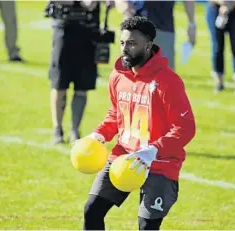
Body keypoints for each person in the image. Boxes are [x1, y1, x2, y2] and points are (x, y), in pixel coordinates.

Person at [82, 16, 196, 230]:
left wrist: (153, 150)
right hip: (122, 158)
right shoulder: (118, 75)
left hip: (159, 164)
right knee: (92, 210)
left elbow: (185, 127)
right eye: (122, 43)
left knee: (147, 227)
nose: (125, 49)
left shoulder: (168, 81)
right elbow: (116, 113)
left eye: (132, 44)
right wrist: (99, 134)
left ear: (149, 45)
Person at [46, 1, 101, 144]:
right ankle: (57, 129)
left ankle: (75, 130)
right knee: (59, 85)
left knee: (82, 87)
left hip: (88, 32)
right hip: (64, 30)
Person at [115, 0, 196, 70]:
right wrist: (124, 6)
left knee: (165, 75)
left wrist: (191, 23)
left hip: (163, 27)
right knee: (131, 74)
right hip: (135, 27)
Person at [206, 0, 235, 95]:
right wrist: (223, 3)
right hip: (215, 9)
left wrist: (230, 5)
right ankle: (218, 81)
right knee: (217, 47)